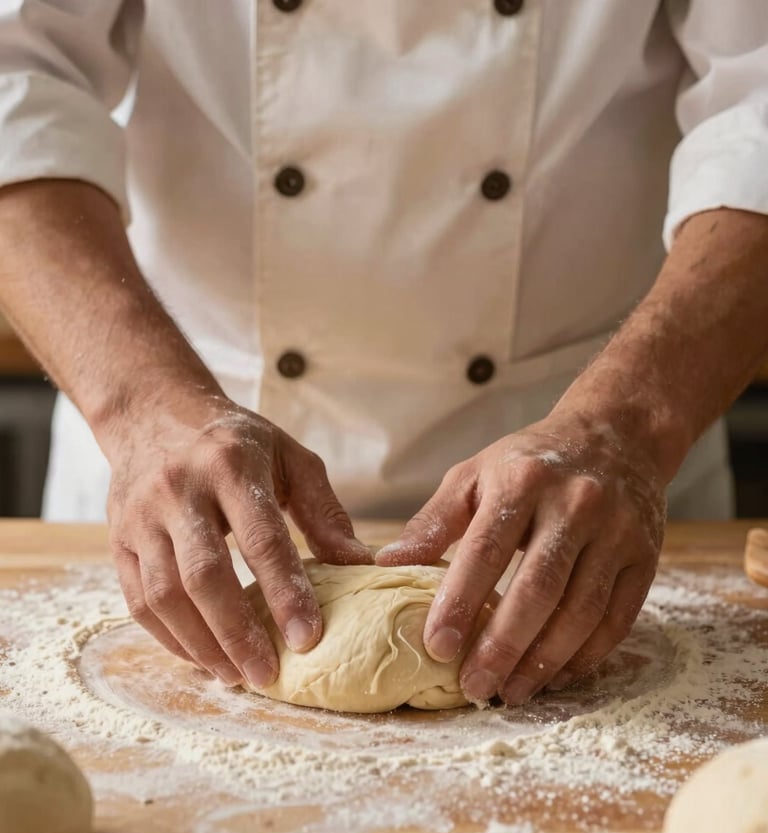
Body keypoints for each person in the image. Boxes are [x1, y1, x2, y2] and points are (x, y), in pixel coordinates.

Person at [0, 1, 767, 706]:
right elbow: (17, 75)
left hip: (591, 480)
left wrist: (624, 428)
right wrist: (143, 409)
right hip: (185, 478)